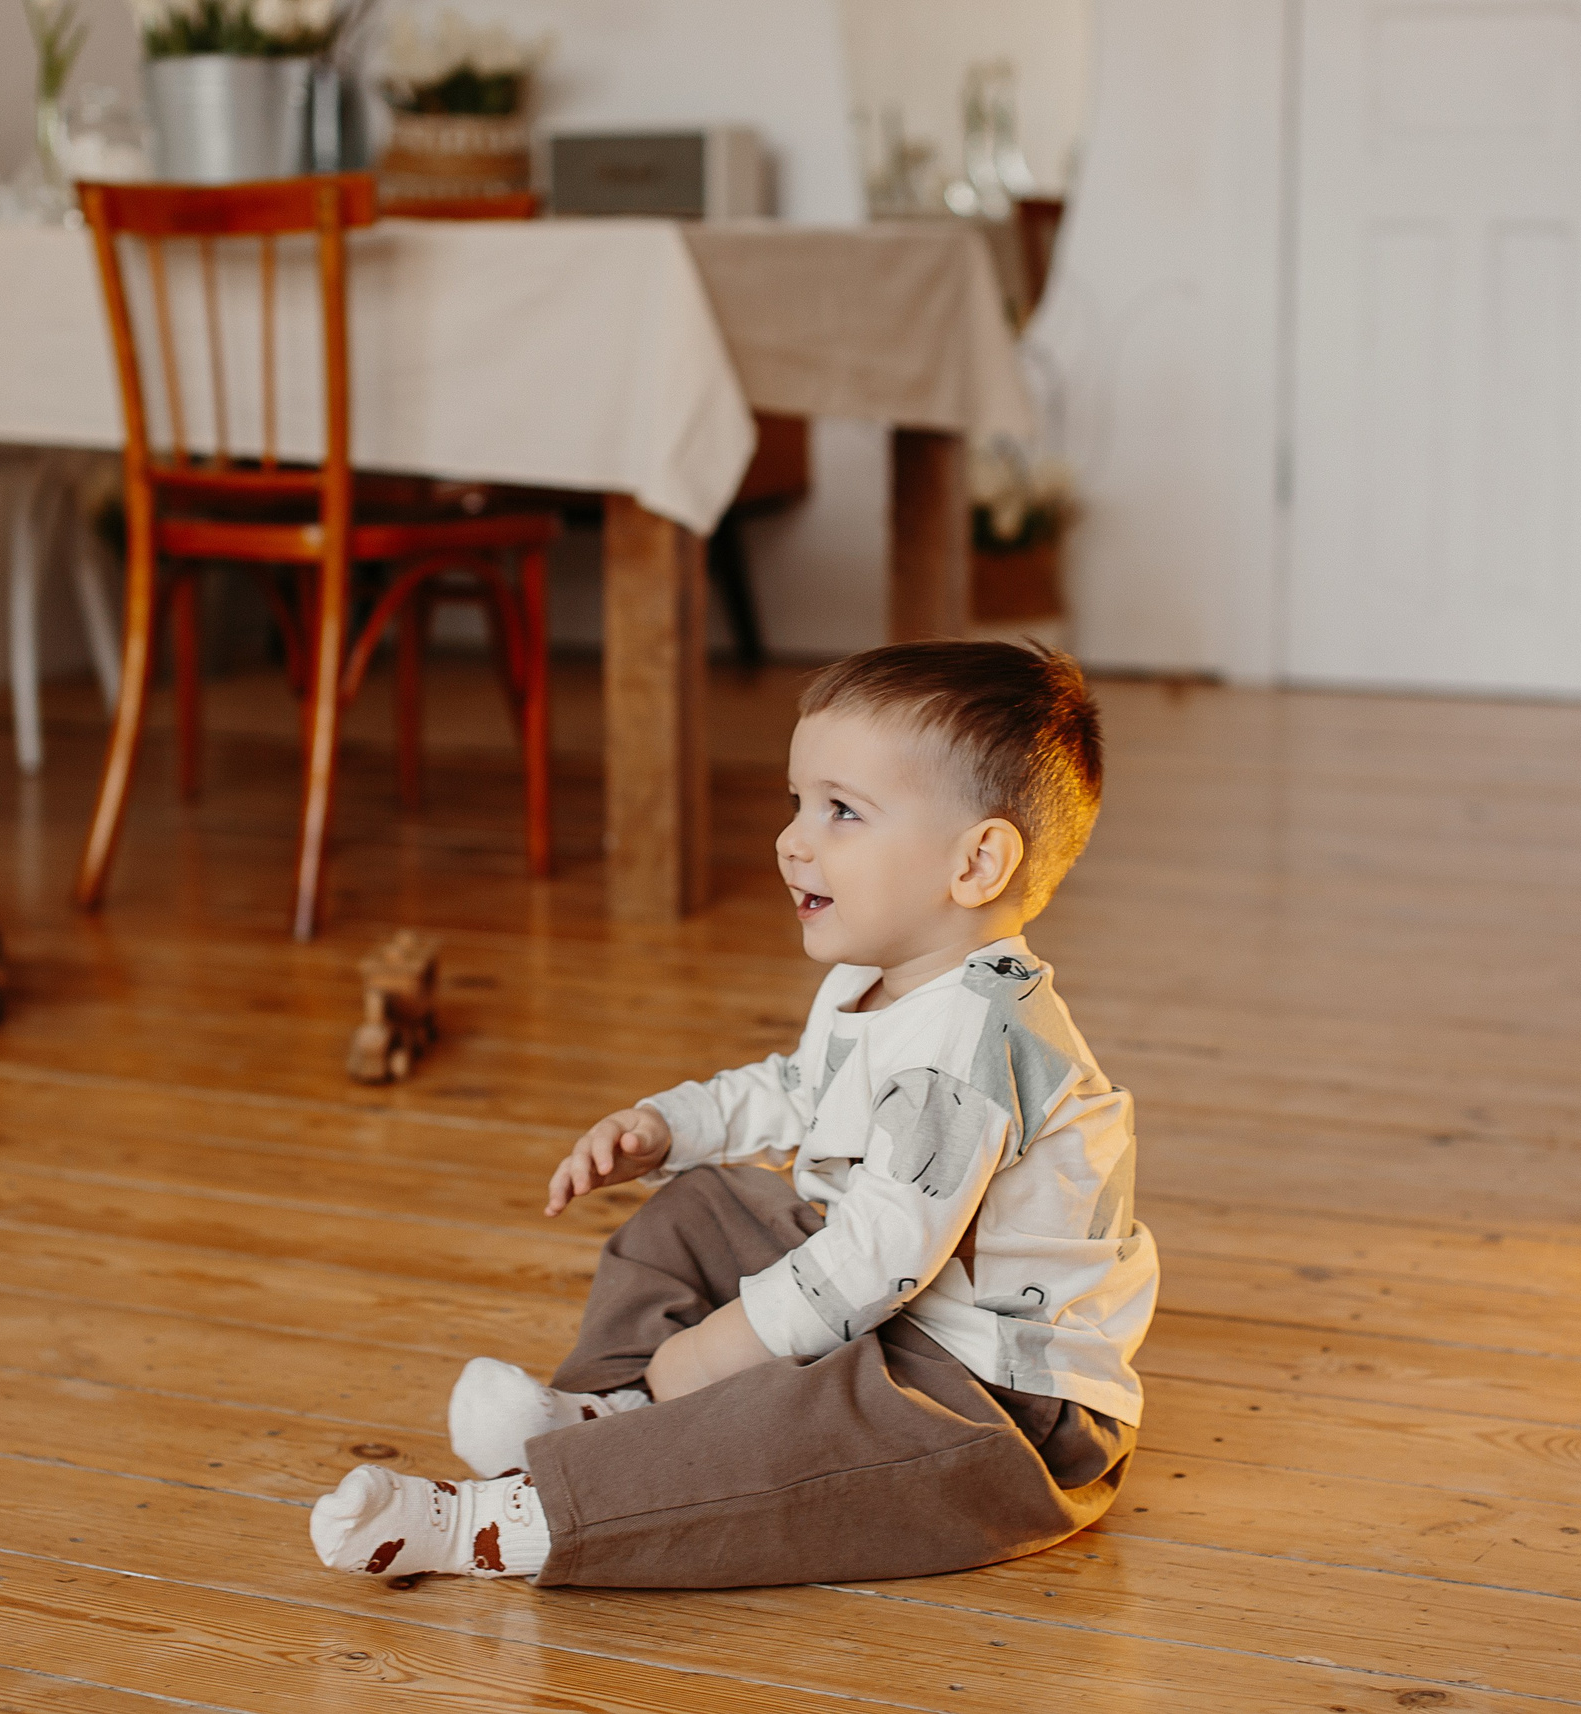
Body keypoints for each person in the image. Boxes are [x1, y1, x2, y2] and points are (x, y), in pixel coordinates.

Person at [309, 640, 1155, 1588]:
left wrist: (716, 1350)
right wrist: (670, 1128)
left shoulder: (980, 1042)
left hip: (994, 1399)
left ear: (978, 862)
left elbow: (878, 1261)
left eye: (841, 811)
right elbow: (799, 1091)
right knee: (699, 1209)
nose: (793, 839)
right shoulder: (868, 981)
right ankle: (608, 1414)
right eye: (796, 803)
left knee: (801, 1430)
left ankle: (502, 1523)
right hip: (890, 1296)